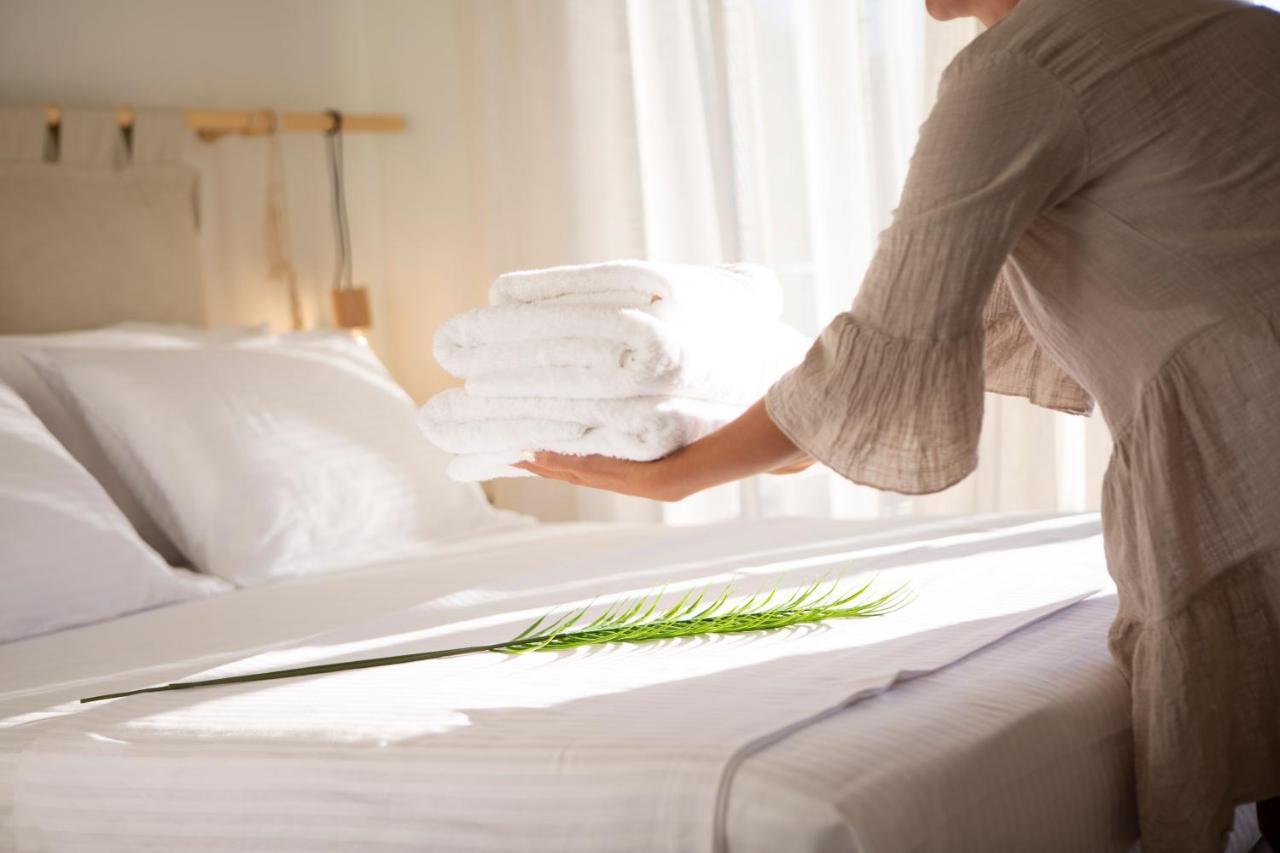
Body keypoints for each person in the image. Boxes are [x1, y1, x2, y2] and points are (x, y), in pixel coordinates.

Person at [516, 0, 1280, 849]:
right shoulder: (1240, 24)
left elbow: (895, 336)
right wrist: (815, 424)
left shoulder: (1022, 68)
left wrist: (678, 473)